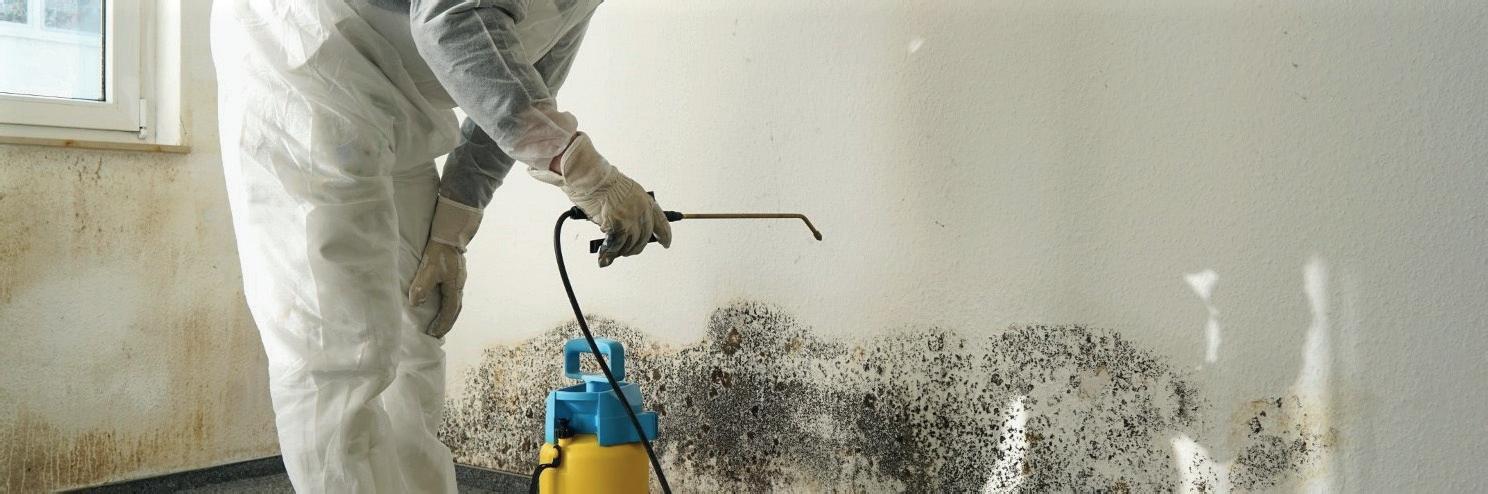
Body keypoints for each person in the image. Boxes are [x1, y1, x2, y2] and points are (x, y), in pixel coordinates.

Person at [211, 0, 671, 491]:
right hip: (306, 60)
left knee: (419, 325)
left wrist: (451, 231)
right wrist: (586, 171)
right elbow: (451, 18)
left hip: (399, 99)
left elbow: (521, 90)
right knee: (342, 349)